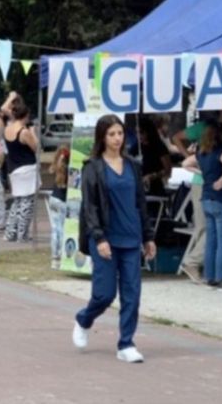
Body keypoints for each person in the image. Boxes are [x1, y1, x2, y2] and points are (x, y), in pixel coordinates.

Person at [73, 114, 155, 363]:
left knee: (132, 293)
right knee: (104, 294)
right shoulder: (93, 167)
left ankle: (126, 343)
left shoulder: (132, 165)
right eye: (112, 134)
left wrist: (148, 237)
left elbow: (141, 203)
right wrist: (99, 238)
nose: (117, 139)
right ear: (102, 137)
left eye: (120, 133)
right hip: (106, 239)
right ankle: (84, 319)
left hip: (131, 239)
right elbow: (90, 207)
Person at [185, 120, 222, 288]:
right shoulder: (221, 151)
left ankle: (208, 276)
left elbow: (185, 164)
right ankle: (221, 277)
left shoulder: (200, 153)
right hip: (219, 198)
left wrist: (202, 172)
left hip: (205, 197)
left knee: (211, 240)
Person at [3, 102, 41, 242]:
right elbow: (36, 147)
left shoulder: (7, 129)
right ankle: (22, 234)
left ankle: (10, 232)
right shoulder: (24, 132)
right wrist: (33, 132)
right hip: (27, 168)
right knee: (27, 203)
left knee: (17, 202)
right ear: (25, 116)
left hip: (13, 168)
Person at [47, 147, 71, 269]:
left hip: (53, 199)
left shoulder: (56, 167)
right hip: (62, 201)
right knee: (62, 229)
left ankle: (54, 256)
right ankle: (62, 255)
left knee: (55, 229)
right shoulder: (69, 171)